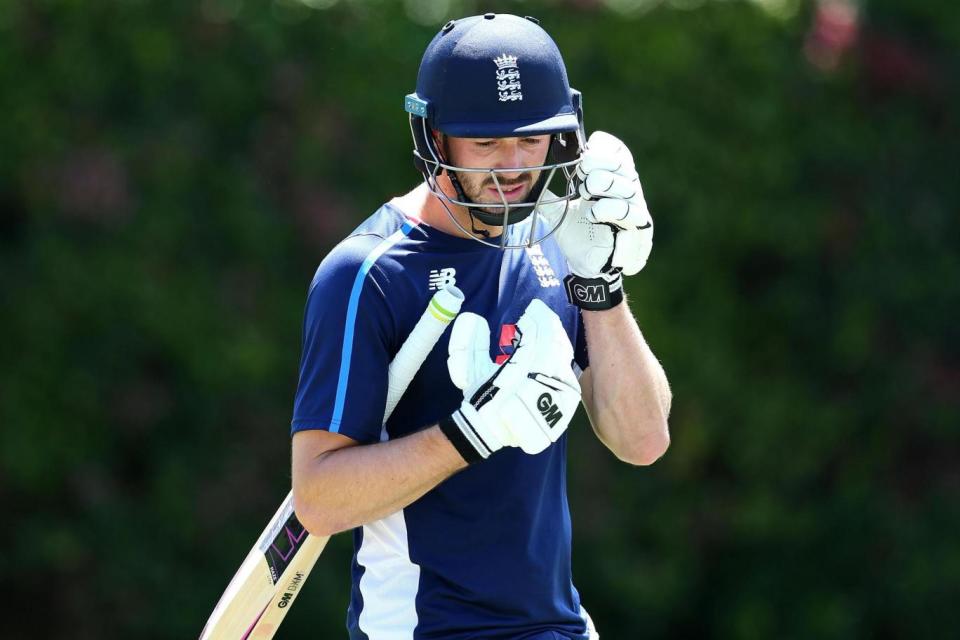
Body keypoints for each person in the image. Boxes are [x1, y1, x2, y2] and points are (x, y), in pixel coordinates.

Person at [290, 13, 671, 640]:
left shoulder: (553, 239)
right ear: (435, 139)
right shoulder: (367, 275)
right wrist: (469, 433)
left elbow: (643, 440)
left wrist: (600, 285)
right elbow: (320, 498)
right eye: (485, 143)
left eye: (530, 138)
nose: (513, 165)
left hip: (558, 626)